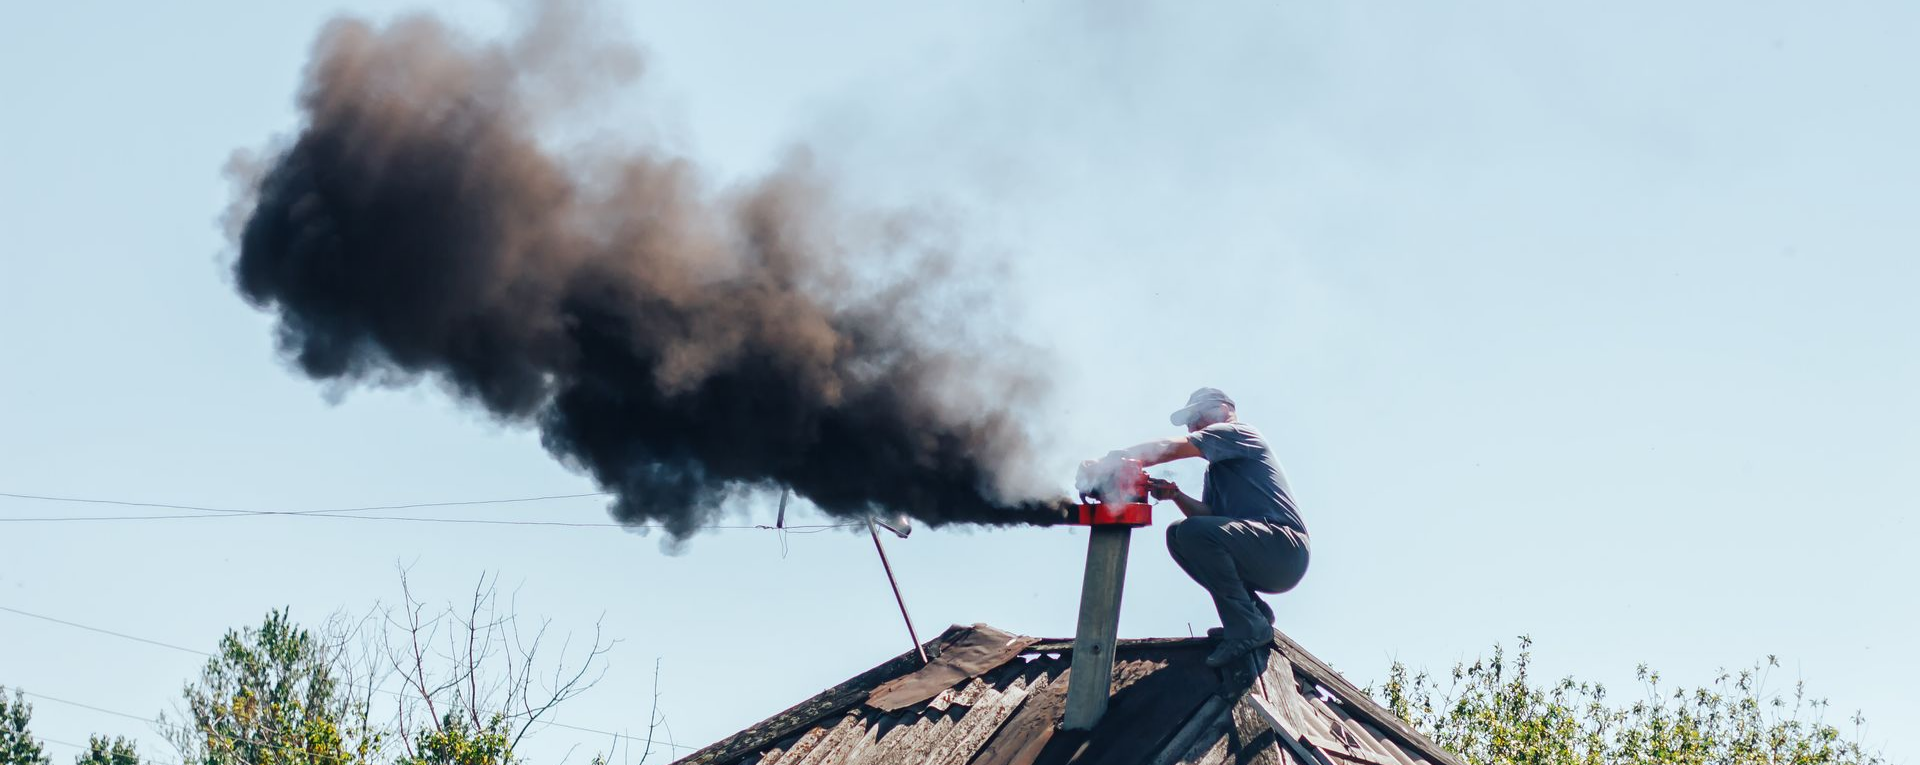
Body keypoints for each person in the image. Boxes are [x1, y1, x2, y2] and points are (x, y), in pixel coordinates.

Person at [1090, 387, 1309, 667]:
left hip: (1284, 547)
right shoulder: (1216, 470)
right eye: (1189, 423)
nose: (1192, 426)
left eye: (1195, 417)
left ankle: (1247, 627)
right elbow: (1210, 516)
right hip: (1267, 552)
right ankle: (1252, 614)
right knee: (1178, 534)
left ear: (1223, 409)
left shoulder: (1239, 432)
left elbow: (1171, 447)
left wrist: (1112, 461)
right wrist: (1176, 495)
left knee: (1192, 532)